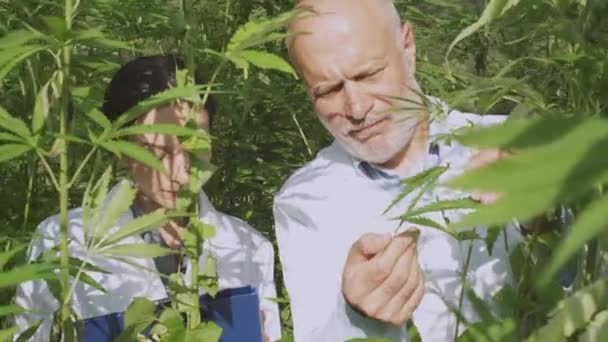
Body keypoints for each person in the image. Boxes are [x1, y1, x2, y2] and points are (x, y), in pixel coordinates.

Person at [273, 1, 520, 341]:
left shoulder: (510, 144)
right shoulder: (305, 199)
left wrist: (546, 219)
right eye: (328, 90)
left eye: (368, 74)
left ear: (408, 46)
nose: (357, 108)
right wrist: (354, 315)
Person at [15, 55, 281, 341]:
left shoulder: (249, 247)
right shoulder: (65, 240)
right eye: (157, 152)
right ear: (120, 148)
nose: (180, 173)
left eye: (196, 147)